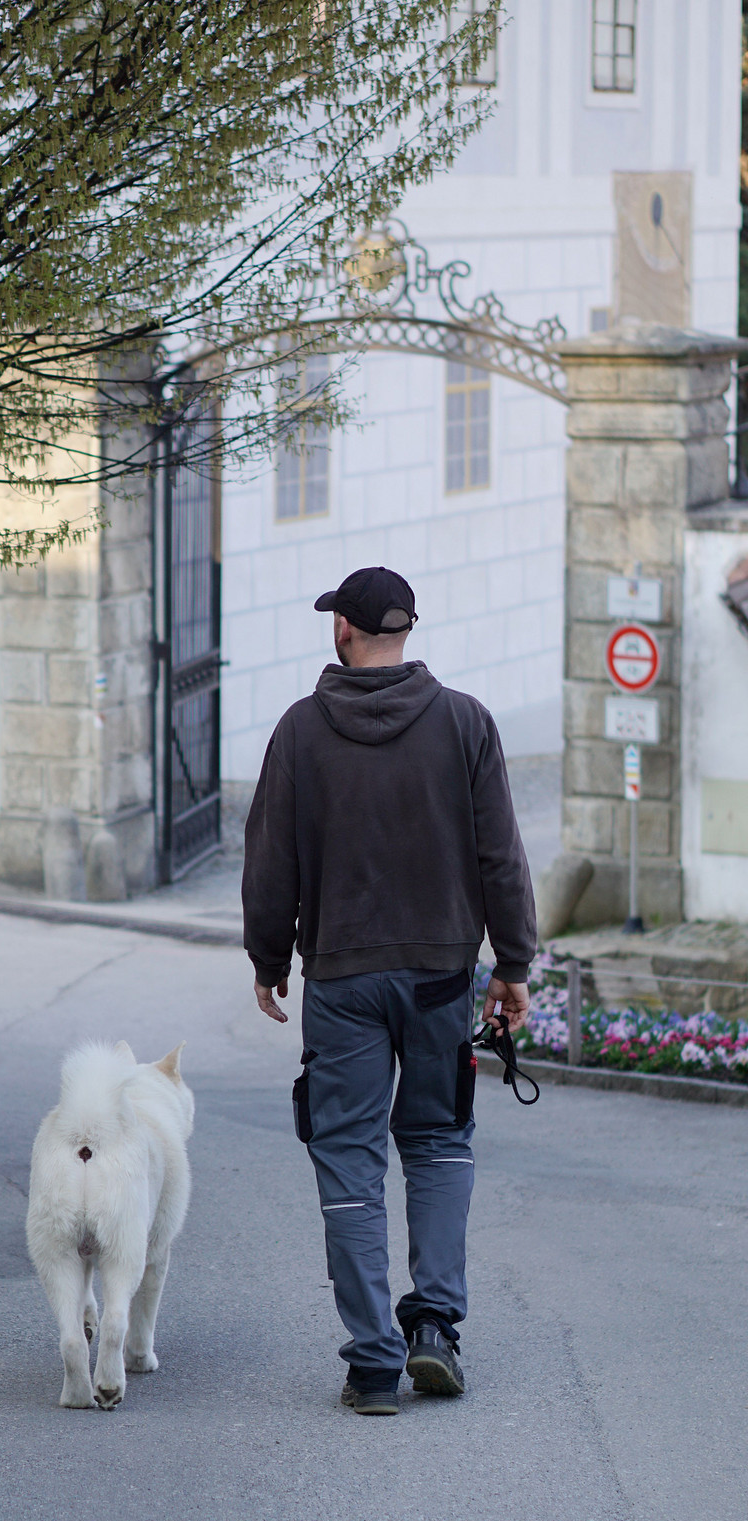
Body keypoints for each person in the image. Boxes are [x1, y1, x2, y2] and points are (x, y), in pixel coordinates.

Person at [242, 566, 536, 1415]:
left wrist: (269, 960)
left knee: (347, 1156)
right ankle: (435, 1327)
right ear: (405, 630)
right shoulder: (466, 724)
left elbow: (271, 865)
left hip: (341, 979)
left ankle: (373, 1362)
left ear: (344, 631)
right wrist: (512, 966)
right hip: (443, 975)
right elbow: (501, 858)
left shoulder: (300, 733)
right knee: (440, 1144)